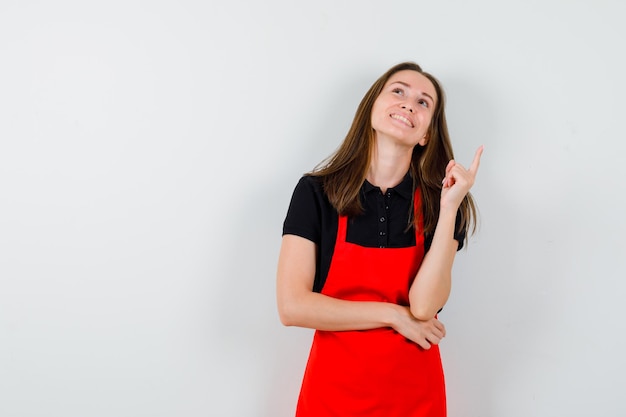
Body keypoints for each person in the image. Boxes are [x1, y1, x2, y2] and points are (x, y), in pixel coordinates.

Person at [276, 61, 483, 417]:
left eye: (423, 102)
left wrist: (449, 209)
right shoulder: (316, 193)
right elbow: (292, 306)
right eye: (398, 91)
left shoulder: (443, 205)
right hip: (331, 398)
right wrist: (392, 316)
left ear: (426, 135)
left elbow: (423, 308)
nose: (408, 104)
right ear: (371, 108)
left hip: (416, 399)